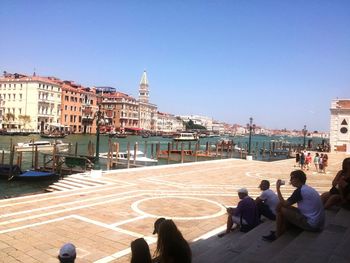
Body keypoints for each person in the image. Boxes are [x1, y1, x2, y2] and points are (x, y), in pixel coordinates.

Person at [262, 170, 325, 242]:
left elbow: (284, 204)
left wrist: (278, 189)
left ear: (297, 179)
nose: (290, 180)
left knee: (281, 209)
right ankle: (281, 229)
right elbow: (286, 204)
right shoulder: (306, 188)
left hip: (312, 224)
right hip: (317, 222)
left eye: (292, 178)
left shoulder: (300, 191)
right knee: (284, 208)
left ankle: (277, 234)